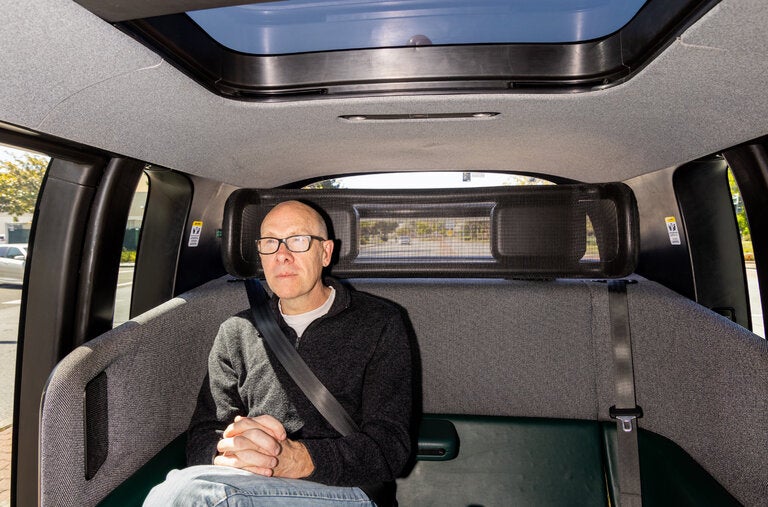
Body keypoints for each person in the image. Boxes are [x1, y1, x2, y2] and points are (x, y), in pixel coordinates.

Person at [145, 200, 413, 506]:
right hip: (249, 482)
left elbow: (390, 447)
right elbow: (206, 432)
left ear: (325, 252)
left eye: (298, 241)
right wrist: (230, 452)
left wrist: (300, 459)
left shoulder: (380, 322)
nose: (282, 256)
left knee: (190, 493)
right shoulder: (236, 331)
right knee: (189, 488)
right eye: (270, 243)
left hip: (347, 490)